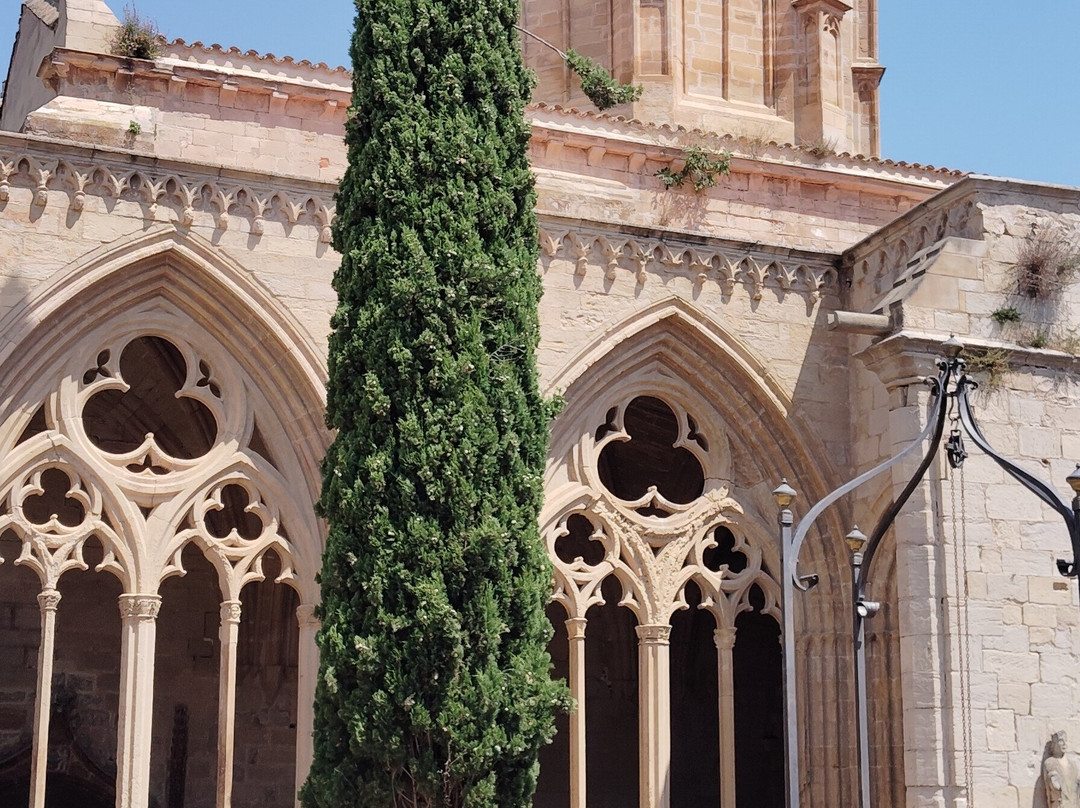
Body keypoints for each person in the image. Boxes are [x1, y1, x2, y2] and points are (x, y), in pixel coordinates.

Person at [1044, 731, 1080, 807]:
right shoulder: (1050, 762)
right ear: (1054, 744)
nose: (1064, 744)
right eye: (1061, 741)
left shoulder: (1073, 765)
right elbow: (1055, 785)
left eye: (1065, 740)